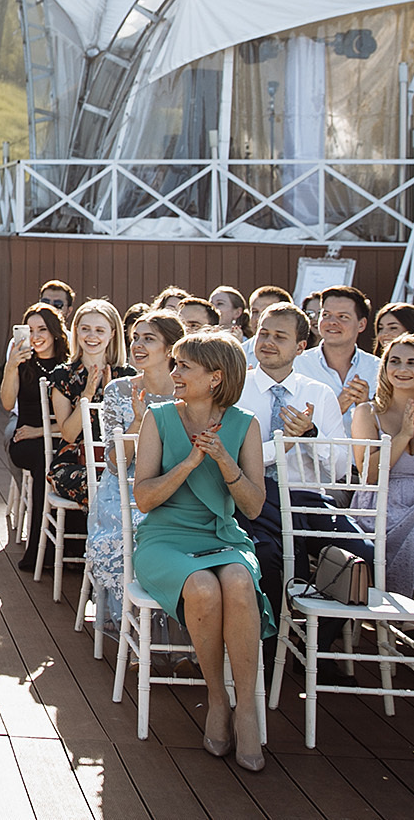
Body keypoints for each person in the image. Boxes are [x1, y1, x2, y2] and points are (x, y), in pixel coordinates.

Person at [131, 330, 271, 772]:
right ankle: (217, 699)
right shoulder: (158, 418)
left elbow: (252, 506)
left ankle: (246, 708)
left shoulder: (245, 424)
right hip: (165, 539)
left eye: (183, 366)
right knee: (203, 588)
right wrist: (189, 463)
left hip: (220, 536)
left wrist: (225, 461)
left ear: (215, 377)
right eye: (174, 365)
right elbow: (144, 500)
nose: (173, 373)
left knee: (237, 579)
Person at [235, 302, 367, 661]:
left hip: (308, 498)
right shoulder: (237, 388)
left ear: (301, 347)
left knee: (364, 558)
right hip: (256, 499)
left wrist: (311, 435)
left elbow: (340, 467)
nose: (268, 342)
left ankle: (312, 647)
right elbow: (231, 459)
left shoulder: (318, 393)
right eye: (264, 333)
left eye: (280, 336)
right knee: (267, 558)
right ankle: (266, 653)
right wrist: (282, 446)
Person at [89, 310, 186, 644]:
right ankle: (133, 634)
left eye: (149, 338)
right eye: (135, 337)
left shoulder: (188, 392)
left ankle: (178, 637)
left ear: (171, 348)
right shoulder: (117, 391)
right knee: (131, 530)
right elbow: (115, 465)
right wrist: (139, 423)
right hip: (123, 487)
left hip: (175, 485)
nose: (138, 345)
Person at [351, 334, 414, 603]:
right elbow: (368, 476)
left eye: (412, 363)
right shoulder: (367, 412)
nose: (402, 369)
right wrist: (402, 437)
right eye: (394, 361)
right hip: (384, 508)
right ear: (384, 368)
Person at [1, 301, 73, 569]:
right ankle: (37, 551)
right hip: (26, 441)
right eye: (29, 330)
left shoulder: (68, 366)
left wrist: (41, 431)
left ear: (55, 331)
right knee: (45, 462)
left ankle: (70, 548)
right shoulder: (22, 363)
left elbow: (76, 420)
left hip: (58, 437)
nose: (35, 336)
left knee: (60, 459)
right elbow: (8, 404)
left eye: (41, 329)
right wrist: (11, 367)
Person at [46, 299, 125, 504]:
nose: (92, 336)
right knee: (102, 483)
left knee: (120, 481)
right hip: (74, 463)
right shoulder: (63, 376)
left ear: (112, 334)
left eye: (100, 330)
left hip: (116, 461)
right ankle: (105, 535)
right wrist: (87, 396)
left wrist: (109, 398)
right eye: (85, 329)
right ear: (77, 332)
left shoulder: (126, 375)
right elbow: (69, 434)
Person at [292, 285, 380, 424]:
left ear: (361, 325)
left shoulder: (378, 369)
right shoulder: (297, 365)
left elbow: (389, 428)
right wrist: (336, 408)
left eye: (342, 317)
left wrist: (366, 408)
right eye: (326, 315)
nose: (332, 322)